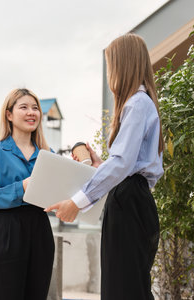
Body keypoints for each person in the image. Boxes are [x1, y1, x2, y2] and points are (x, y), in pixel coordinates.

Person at [45, 33, 164, 300]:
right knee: (130, 285)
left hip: (129, 201)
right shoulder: (143, 103)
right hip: (133, 198)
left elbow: (123, 164)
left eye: (112, 64)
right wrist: (101, 165)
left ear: (123, 65)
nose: (110, 72)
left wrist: (77, 201)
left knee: (124, 288)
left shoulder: (136, 104)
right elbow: (127, 164)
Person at [0, 88, 55, 300]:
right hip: (7, 229)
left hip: (40, 228)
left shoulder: (48, 155)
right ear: (9, 115)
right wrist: (21, 187)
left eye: (35, 108)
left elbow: (55, 197)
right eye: (24, 107)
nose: (31, 112)